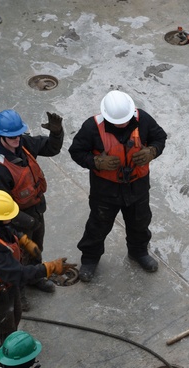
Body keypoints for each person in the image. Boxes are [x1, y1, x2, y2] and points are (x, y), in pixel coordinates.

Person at [68, 89, 167, 283]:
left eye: (124, 119)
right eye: (117, 121)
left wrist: (152, 151)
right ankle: (90, 259)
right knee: (98, 225)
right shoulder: (92, 127)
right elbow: (76, 151)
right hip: (105, 190)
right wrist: (96, 161)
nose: (122, 123)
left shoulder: (143, 119)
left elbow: (160, 138)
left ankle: (139, 252)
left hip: (137, 187)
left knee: (140, 222)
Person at [0, 189, 75, 365]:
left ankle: (13, 348)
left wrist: (22, 239)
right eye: (7, 217)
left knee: (13, 318)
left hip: (7, 287)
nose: (10, 220)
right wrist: (48, 268)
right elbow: (18, 274)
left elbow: (6, 227)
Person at [0, 109, 64, 294]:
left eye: (18, 135)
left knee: (36, 248)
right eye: (12, 137)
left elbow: (52, 148)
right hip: (14, 219)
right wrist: (23, 223)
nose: (17, 139)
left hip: (36, 209)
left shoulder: (24, 144)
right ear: (0, 136)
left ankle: (35, 278)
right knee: (17, 256)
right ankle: (16, 291)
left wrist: (56, 132)